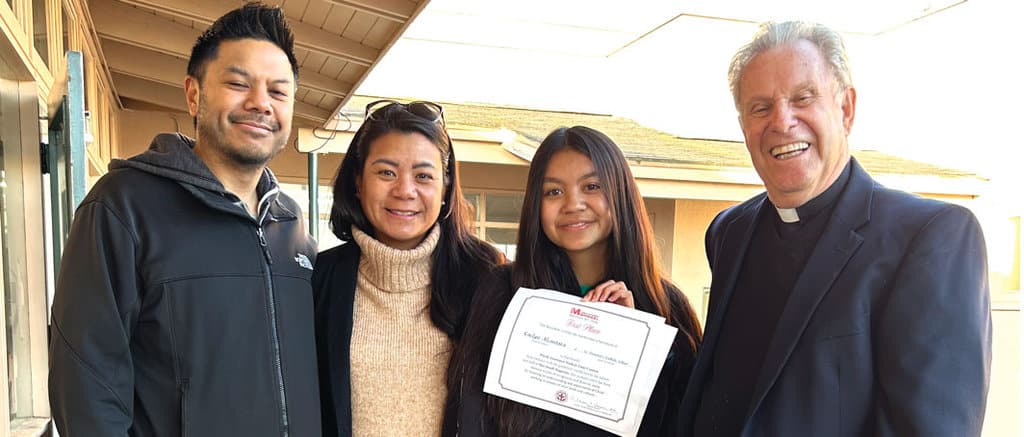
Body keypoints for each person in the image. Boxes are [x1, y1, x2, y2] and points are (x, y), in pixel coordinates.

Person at [678, 21, 992, 436]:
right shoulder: (728, 232)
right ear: (744, 128)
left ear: (846, 109)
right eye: (760, 107)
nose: (782, 121)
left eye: (802, 98)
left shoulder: (931, 237)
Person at [47, 3, 321, 436]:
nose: (260, 104)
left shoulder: (293, 228)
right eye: (238, 83)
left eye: (278, 91)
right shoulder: (122, 209)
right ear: (194, 95)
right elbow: (86, 391)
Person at [444, 126, 703, 437]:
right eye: (554, 191)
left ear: (620, 194)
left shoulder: (667, 309)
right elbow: (470, 415)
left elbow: (680, 423)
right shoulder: (504, 293)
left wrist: (631, 337)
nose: (573, 204)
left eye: (592, 186)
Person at [312, 100, 505, 437]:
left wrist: (609, 312)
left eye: (423, 176)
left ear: (445, 188)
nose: (404, 190)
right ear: (358, 182)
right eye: (386, 172)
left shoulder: (486, 279)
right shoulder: (319, 281)